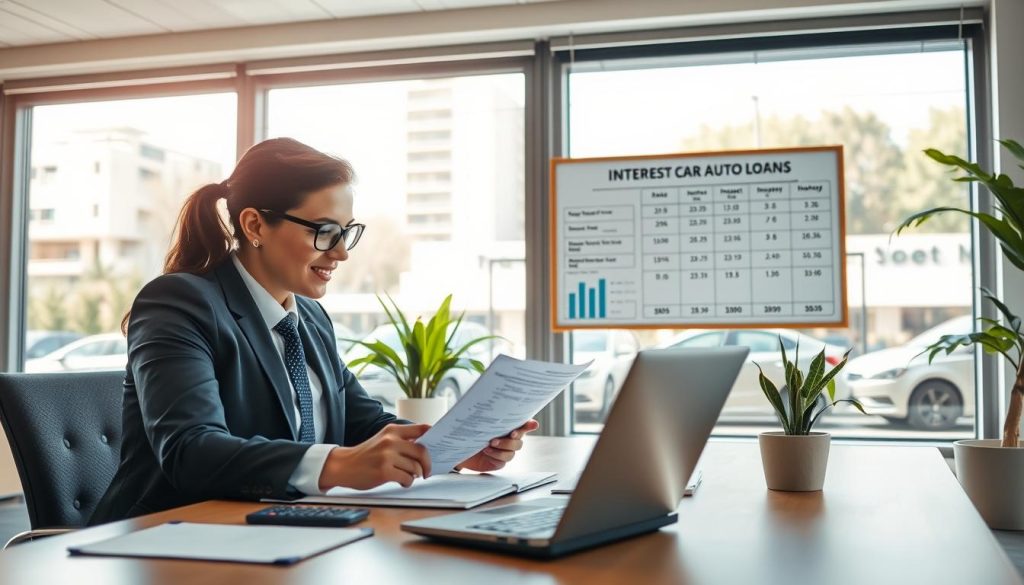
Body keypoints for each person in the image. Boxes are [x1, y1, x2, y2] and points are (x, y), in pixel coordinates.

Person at [90, 137, 538, 524]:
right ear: (254, 225)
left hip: (279, 532)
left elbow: (363, 424)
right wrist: (339, 465)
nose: (341, 253)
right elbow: (192, 451)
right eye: (325, 232)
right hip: (170, 541)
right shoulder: (178, 303)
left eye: (347, 232)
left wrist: (451, 449)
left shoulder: (309, 318)